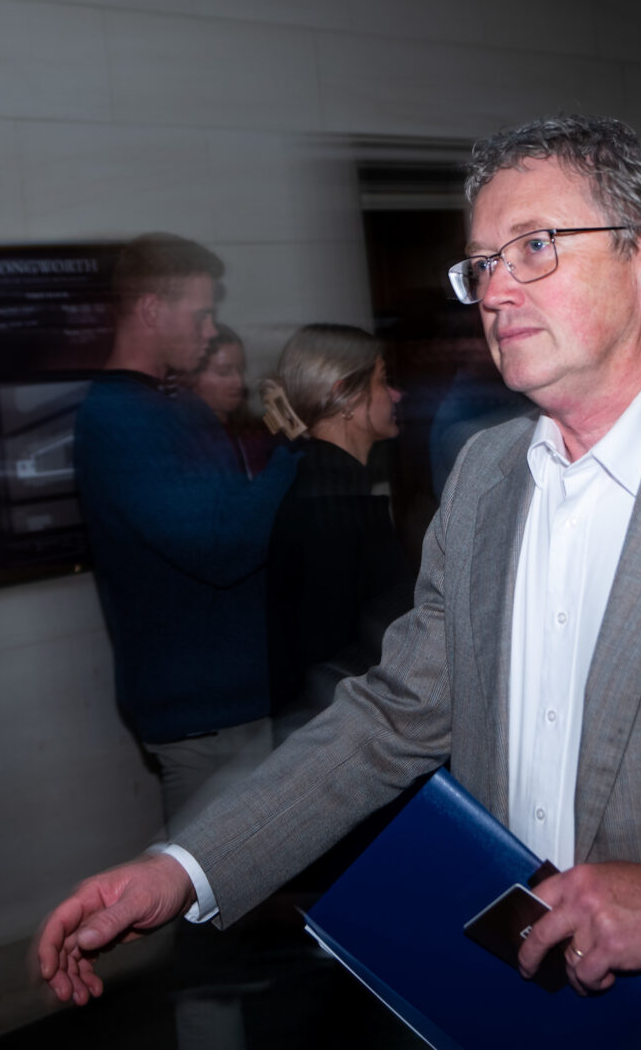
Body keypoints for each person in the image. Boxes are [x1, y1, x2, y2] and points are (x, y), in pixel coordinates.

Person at [39, 117, 641, 1048]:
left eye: (537, 247)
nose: (496, 291)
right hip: (524, 1008)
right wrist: (188, 866)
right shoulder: (485, 478)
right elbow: (393, 716)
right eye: (483, 265)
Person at [73, 233, 297, 829]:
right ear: (151, 310)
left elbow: (238, 522)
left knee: (256, 891)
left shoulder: (182, 409)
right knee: (212, 906)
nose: (208, 331)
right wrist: (296, 450)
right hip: (198, 712)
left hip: (240, 696)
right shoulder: (116, 419)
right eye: (200, 315)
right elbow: (221, 549)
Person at [260, 323, 413, 731]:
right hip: (340, 738)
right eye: (383, 382)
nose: (396, 394)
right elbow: (338, 655)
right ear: (347, 395)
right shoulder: (333, 505)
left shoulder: (323, 487)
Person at [179, 324, 275, 479]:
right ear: (191, 377)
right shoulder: (181, 440)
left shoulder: (258, 434)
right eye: (224, 372)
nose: (239, 381)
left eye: (241, 370)